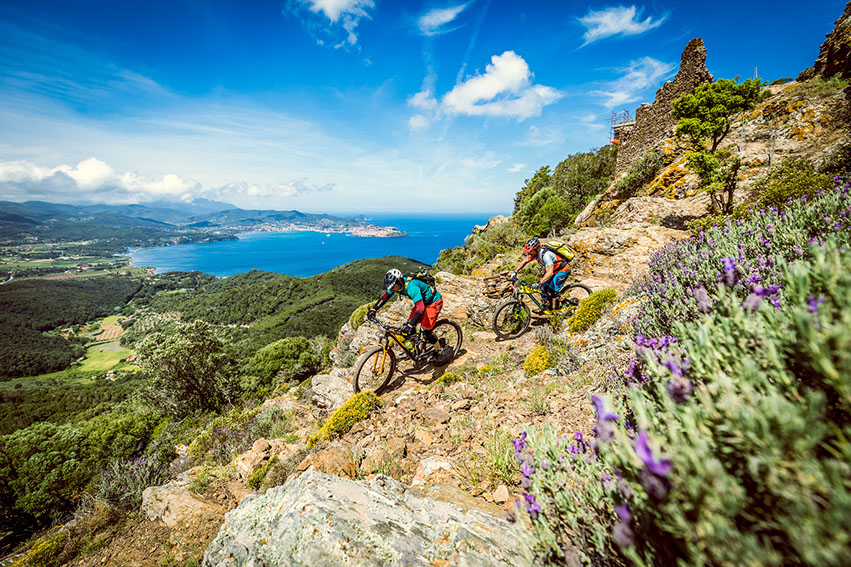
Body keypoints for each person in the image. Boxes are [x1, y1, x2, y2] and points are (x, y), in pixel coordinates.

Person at [367, 269, 444, 353]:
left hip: (433, 302)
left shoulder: (411, 287)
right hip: (421, 302)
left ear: (399, 282)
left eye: (393, 287)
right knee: (410, 328)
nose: (392, 290)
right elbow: (385, 297)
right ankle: (413, 351)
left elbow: (420, 309)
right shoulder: (395, 285)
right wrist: (374, 309)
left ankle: (438, 350)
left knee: (426, 331)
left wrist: (410, 326)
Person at [510, 237, 572, 314]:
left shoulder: (546, 255)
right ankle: (547, 307)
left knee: (552, 291)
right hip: (554, 270)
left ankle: (567, 305)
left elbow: (549, 273)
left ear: (537, 249)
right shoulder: (534, 254)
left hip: (563, 270)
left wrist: (538, 283)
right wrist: (515, 271)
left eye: (531, 251)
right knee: (542, 288)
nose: (529, 254)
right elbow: (524, 261)